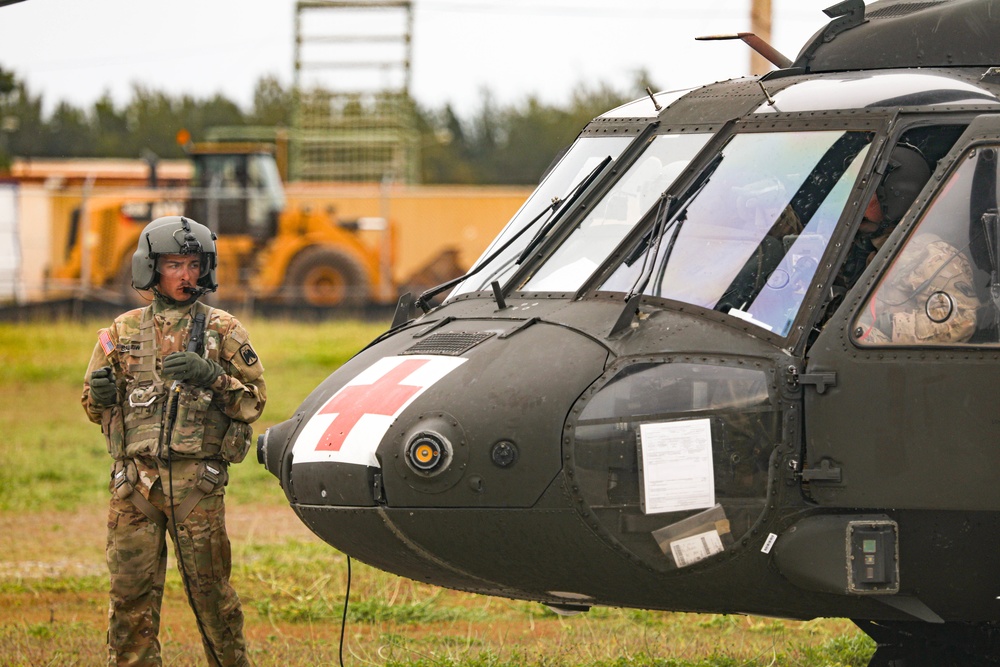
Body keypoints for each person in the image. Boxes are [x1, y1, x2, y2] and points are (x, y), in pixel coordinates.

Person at [82, 216, 266, 666]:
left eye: (192, 264)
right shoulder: (121, 332)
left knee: (213, 602)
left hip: (196, 488)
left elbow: (254, 404)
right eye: (174, 265)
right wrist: (100, 396)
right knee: (130, 602)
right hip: (133, 488)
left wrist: (214, 378)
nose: (186, 275)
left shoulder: (224, 330)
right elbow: (92, 404)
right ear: (151, 268)